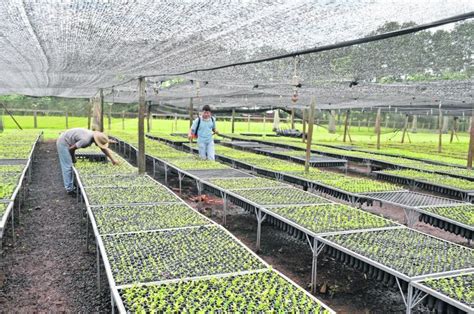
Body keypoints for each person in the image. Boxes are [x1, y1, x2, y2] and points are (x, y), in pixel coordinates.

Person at [57, 128, 119, 195]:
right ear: (95, 140)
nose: (99, 145)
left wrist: (113, 159)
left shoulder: (92, 135)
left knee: (70, 165)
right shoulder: (86, 140)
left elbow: (102, 148)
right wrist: (73, 158)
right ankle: (70, 189)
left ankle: (72, 184)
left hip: (67, 139)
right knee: (68, 166)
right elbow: (71, 149)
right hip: (63, 142)